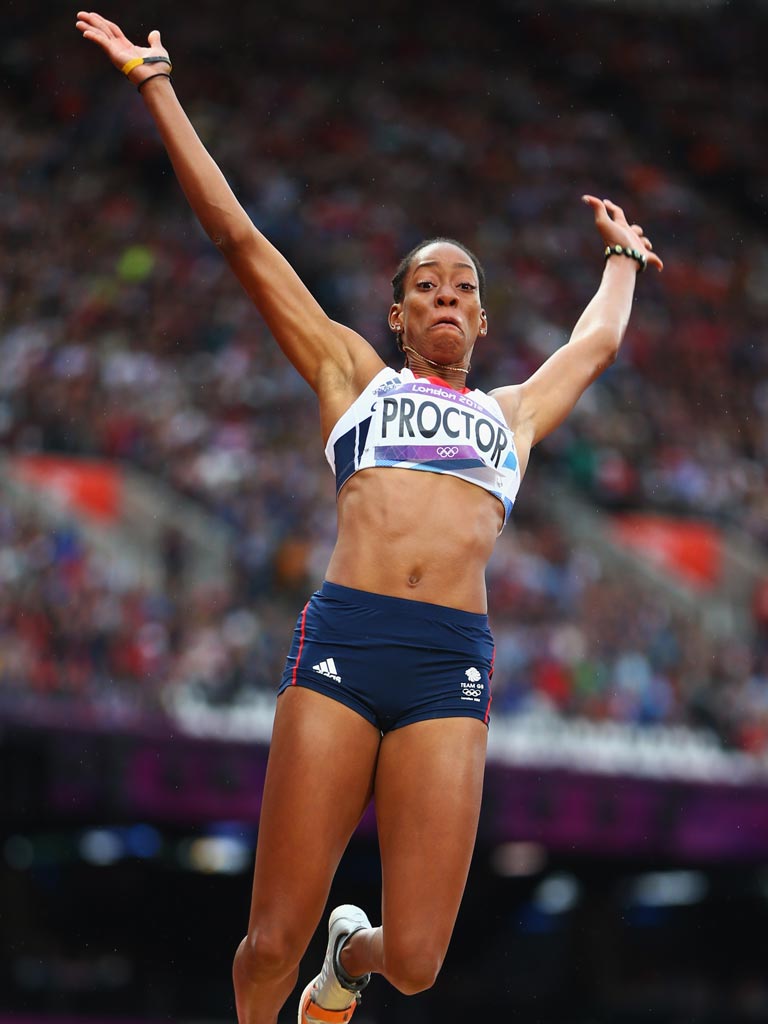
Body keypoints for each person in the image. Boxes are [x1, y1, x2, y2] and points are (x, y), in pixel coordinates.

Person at [76, 12, 663, 1024]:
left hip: (450, 660)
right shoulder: (353, 373)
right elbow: (238, 238)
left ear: (479, 320)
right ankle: (304, 972)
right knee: (267, 943)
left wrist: (623, 257)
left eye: (463, 287)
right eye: (425, 284)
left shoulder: (511, 417)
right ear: (397, 314)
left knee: (423, 960)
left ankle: (349, 963)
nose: (445, 293)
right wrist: (154, 84)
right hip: (348, 637)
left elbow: (594, 345)